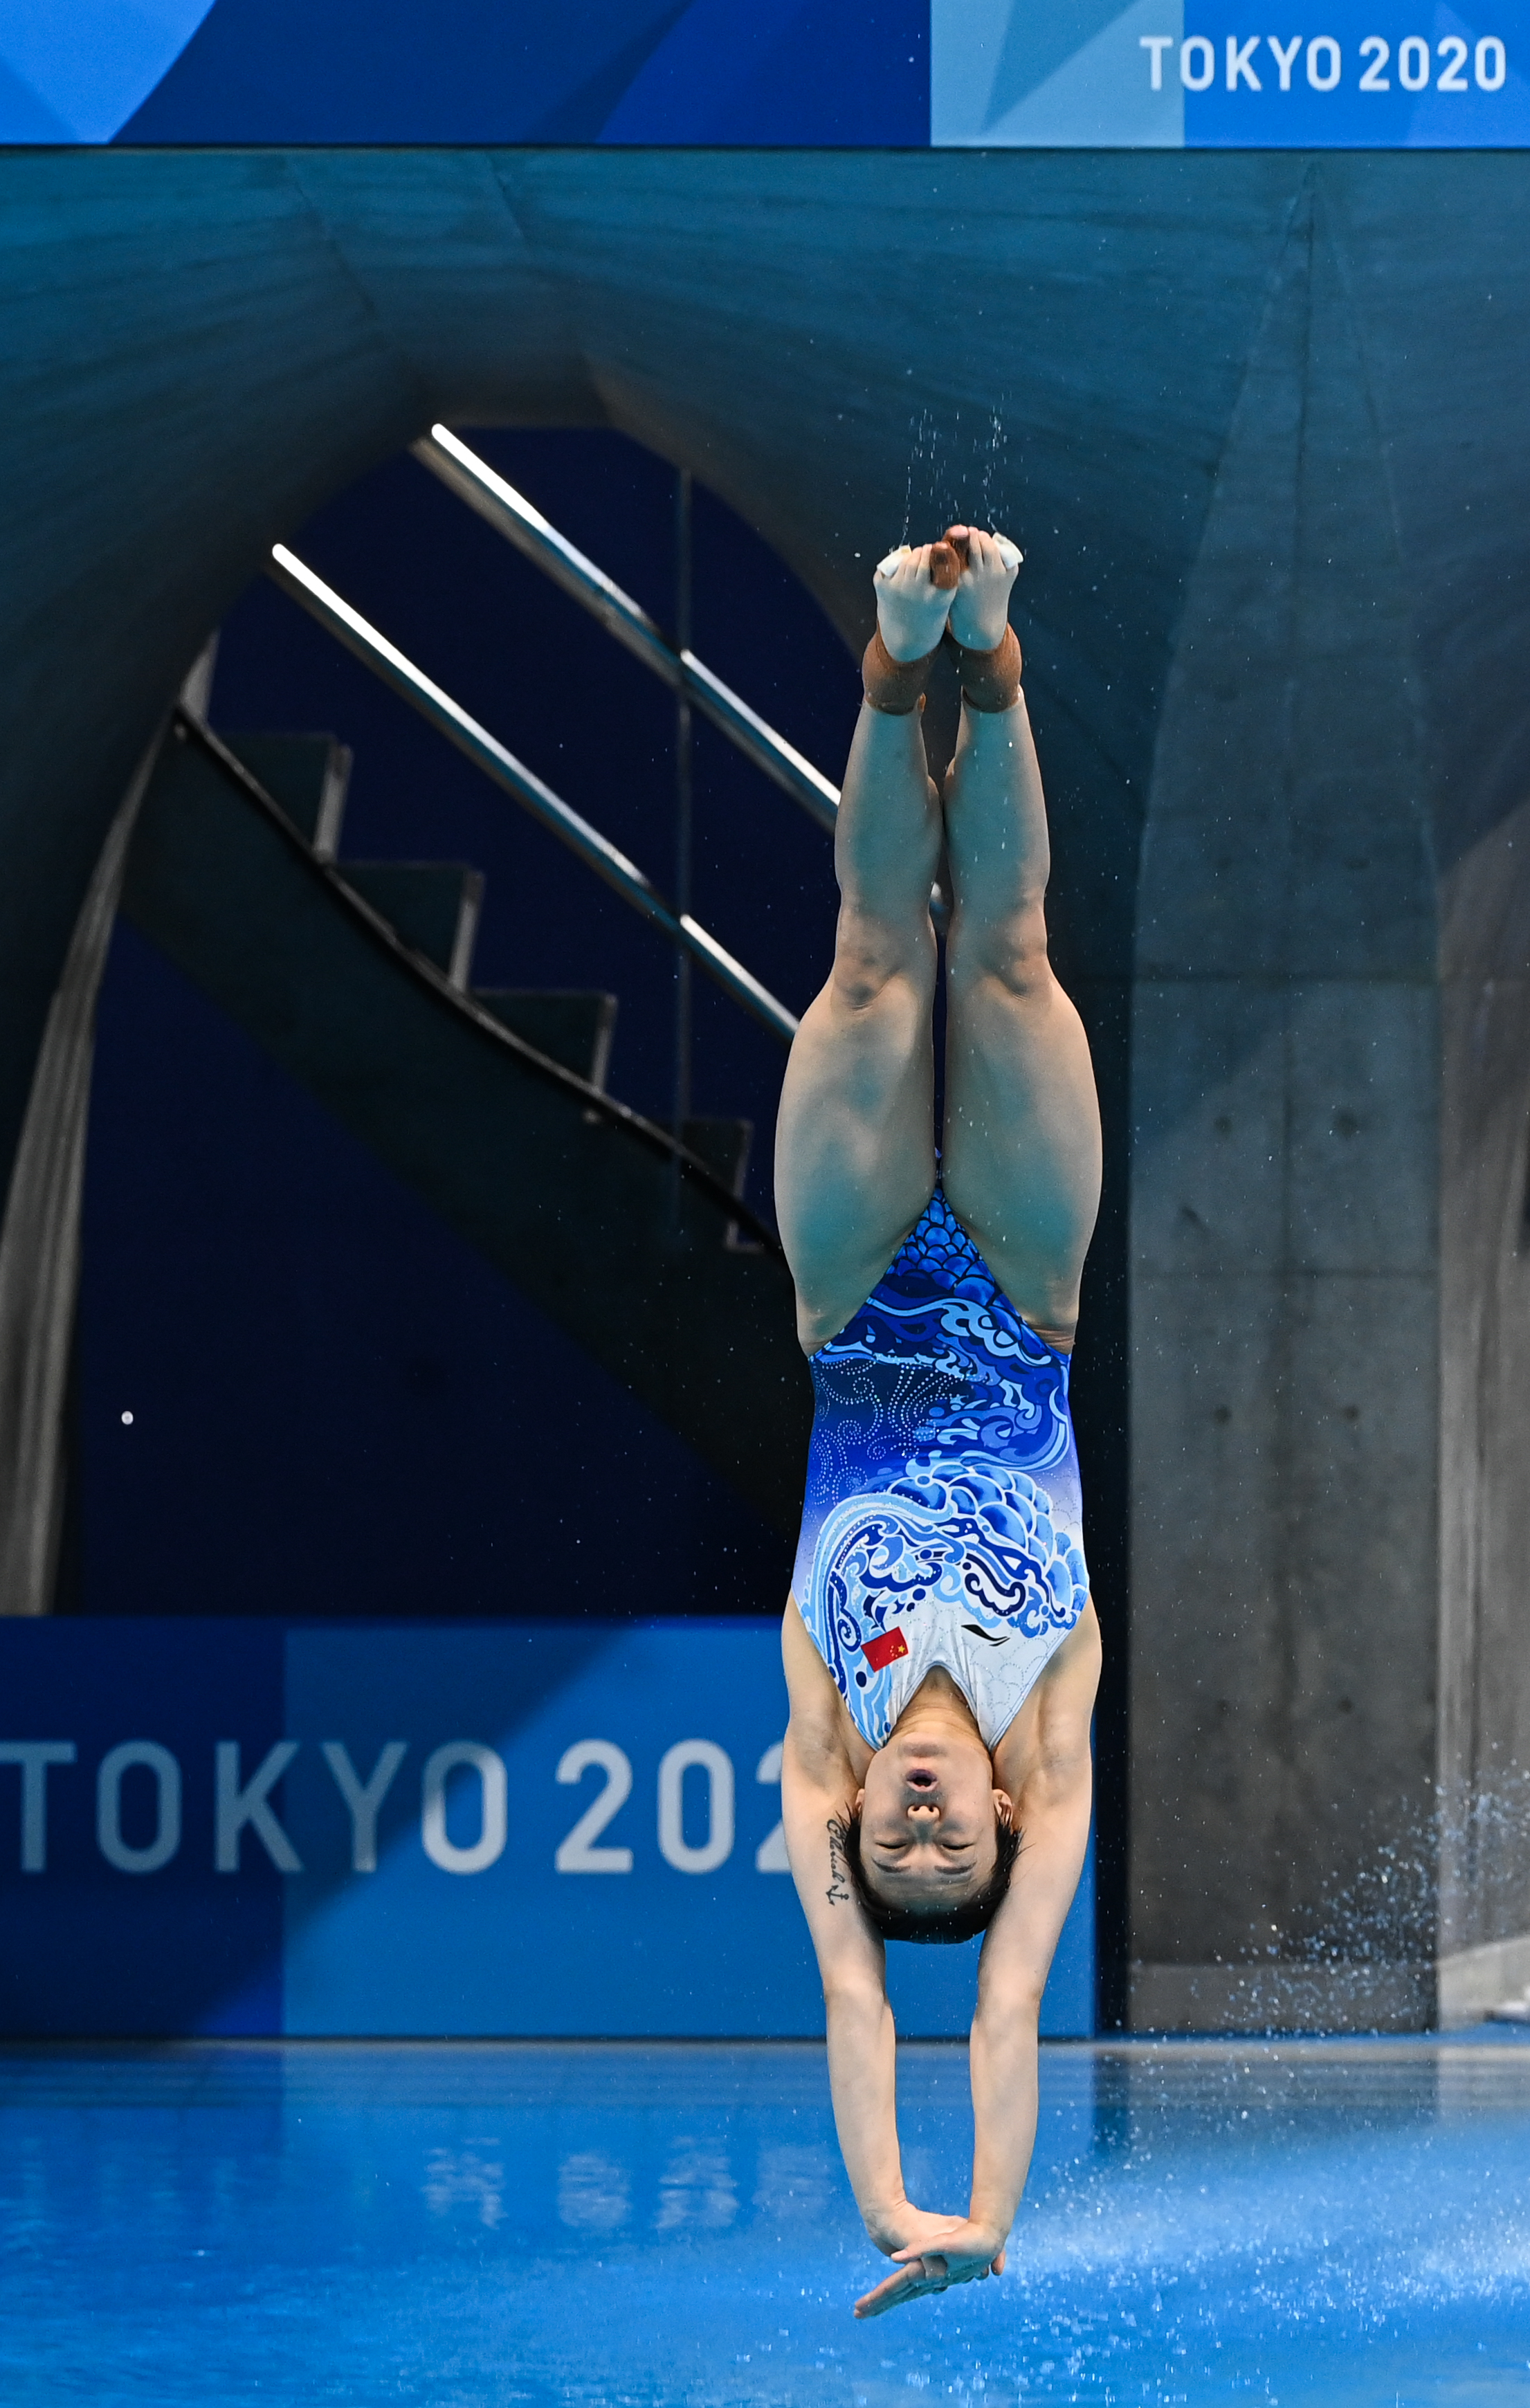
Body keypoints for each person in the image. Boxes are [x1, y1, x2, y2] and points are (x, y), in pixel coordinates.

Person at [774, 526, 1103, 2319]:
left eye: (888, 1853)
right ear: (989, 1816)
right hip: (1026, 1307)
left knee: (876, 964)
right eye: (940, 1851)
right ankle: (992, 650)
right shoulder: (1045, 1738)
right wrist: (981, 2215)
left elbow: (854, 1997)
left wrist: (891, 2207)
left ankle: (897, 660)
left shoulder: (817, 1744)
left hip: (854, 1312)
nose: (910, 1831)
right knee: (1010, 964)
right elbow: (996, 2005)